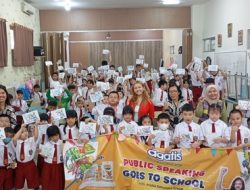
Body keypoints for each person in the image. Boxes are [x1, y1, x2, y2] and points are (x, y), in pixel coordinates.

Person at [13, 124, 39, 189]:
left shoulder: (31, 140)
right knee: (19, 182)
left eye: (26, 131)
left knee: (32, 182)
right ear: (18, 134)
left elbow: (36, 136)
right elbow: (14, 139)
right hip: (19, 165)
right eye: (22, 132)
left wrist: (36, 125)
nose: (25, 133)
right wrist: (21, 128)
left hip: (30, 164)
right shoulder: (17, 142)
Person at [41, 125, 65, 190]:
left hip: (59, 166)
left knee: (58, 181)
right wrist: (42, 153)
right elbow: (44, 155)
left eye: (56, 135)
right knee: (48, 181)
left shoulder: (62, 143)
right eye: (52, 136)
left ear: (59, 134)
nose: (55, 138)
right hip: (48, 166)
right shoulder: (47, 145)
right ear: (49, 137)